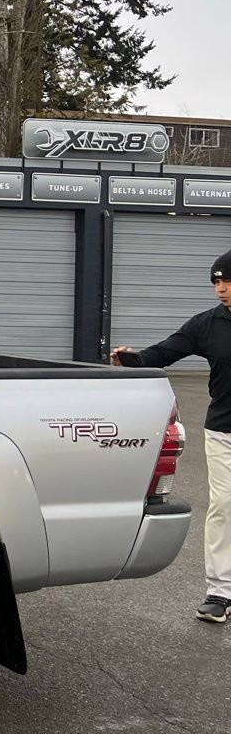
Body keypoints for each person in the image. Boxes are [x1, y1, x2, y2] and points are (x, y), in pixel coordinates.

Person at [112, 248, 231, 623]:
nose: (220, 290)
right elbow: (162, 353)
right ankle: (220, 591)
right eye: (215, 283)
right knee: (224, 509)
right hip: (224, 432)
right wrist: (132, 359)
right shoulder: (207, 324)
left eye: (227, 281)